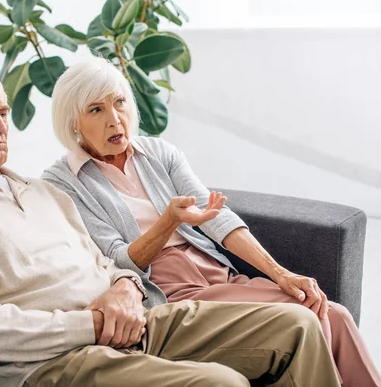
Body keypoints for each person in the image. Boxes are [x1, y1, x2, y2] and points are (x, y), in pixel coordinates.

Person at [0, 69, 341, 387]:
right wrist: (94, 324)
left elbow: (109, 263)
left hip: (137, 324)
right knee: (220, 383)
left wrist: (127, 287)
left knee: (296, 326)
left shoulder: (41, 193)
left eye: (3, 112)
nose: (1, 126)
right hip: (58, 362)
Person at [42, 57, 380, 387]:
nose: (116, 120)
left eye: (120, 103)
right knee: (313, 318)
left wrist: (281, 274)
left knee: (336, 314)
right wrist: (168, 222)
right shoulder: (62, 183)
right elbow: (117, 259)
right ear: (73, 121)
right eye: (96, 110)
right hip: (165, 292)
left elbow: (217, 218)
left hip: (217, 272)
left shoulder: (160, 153)